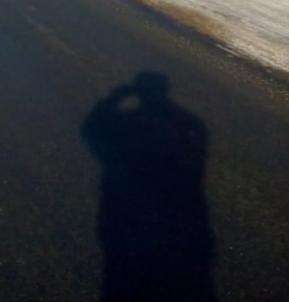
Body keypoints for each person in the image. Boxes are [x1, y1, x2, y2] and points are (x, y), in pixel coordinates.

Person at [82, 72, 215, 301]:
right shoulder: (190, 125)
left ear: (137, 92)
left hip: (126, 221)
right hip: (180, 222)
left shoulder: (125, 124)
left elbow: (91, 129)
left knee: (124, 282)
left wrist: (115, 97)